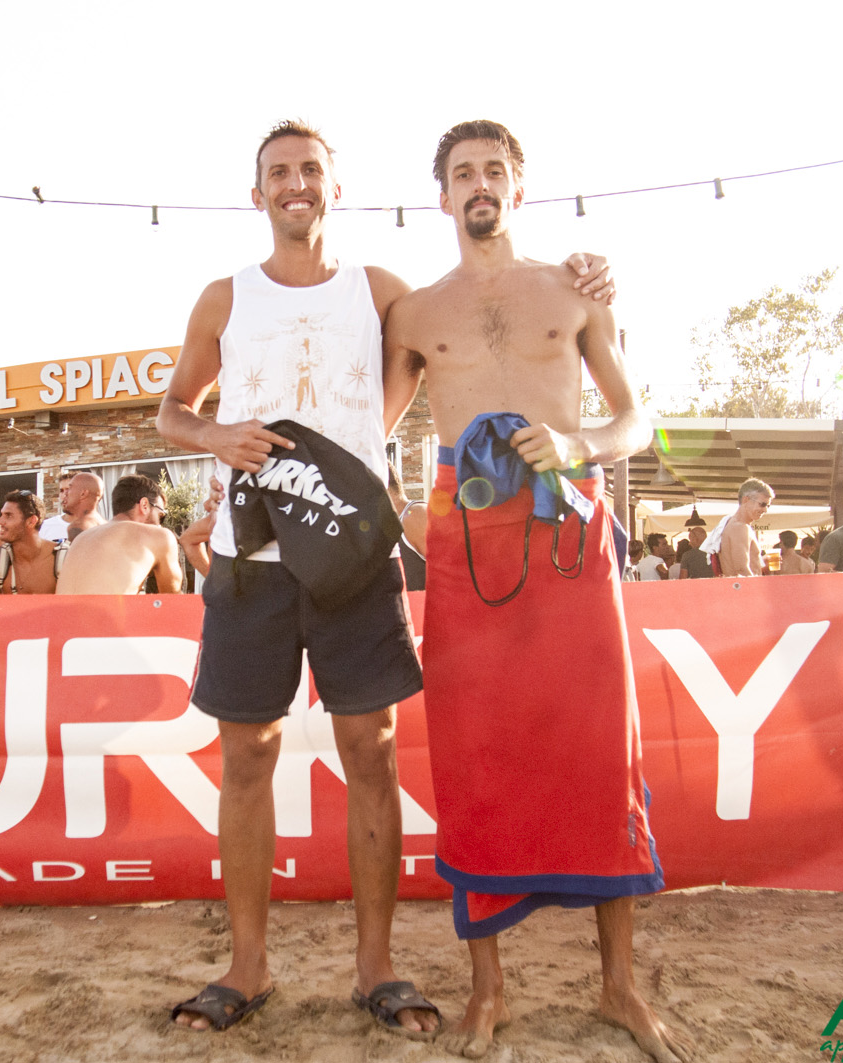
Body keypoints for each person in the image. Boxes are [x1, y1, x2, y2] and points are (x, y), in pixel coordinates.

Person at [156, 119, 617, 1039]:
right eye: (279, 172)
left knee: (372, 752)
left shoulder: (383, 295)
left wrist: (589, 275)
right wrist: (214, 435)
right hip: (250, 561)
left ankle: (377, 967)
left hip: (355, 556)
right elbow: (174, 408)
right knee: (247, 757)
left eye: (311, 170)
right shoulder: (224, 298)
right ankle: (247, 966)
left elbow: (457, 339)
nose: (296, 183)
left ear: (335, 188)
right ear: (258, 193)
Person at [385, 120, 686, 1062]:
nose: (479, 184)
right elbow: (367, 425)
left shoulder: (574, 288)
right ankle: (489, 991)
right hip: (466, 537)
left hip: (569, 529)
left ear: (519, 187)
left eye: (495, 171)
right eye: (462, 173)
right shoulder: (414, 314)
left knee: (600, 747)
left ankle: (619, 986)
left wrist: (580, 444)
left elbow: (636, 418)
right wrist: (389, 507)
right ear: (441, 195)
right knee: (473, 751)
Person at [55, 474, 181, 595]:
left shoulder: (83, 537)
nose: (160, 523)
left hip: (59, 609)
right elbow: (172, 596)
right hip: (104, 609)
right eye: (161, 515)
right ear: (144, 505)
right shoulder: (160, 536)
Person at [0, 490, 59, 594]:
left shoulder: (61, 559)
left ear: (31, 521)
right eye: (2, 515)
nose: (0, 521)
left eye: (8, 515)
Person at [716, 478, 772, 578]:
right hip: (742, 586)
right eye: (762, 504)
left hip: (736, 585)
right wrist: (756, 586)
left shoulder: (733, 523)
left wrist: (761, 562)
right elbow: (741, 569)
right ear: (746, 500)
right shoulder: (740, 527)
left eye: (768, 506)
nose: (765, 510)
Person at [62, 472, 106, 542]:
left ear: (83, 494)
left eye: (70, 488)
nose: (65, 493)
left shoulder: (78, 527)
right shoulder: (106, 525)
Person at [38, 475, 72, 543]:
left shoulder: (92, 527)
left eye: (68, 490)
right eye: (61, 491)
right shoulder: (46, 526)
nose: (64, 495)